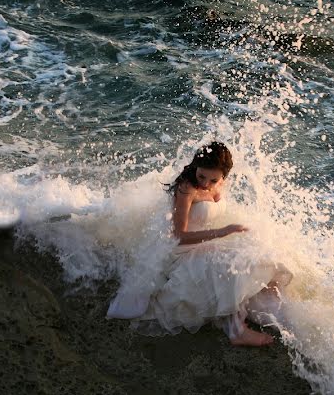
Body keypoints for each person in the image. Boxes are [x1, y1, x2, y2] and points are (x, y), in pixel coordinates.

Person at [107, 141, 292, 347]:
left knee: (263, 260)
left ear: (223, 177)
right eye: (202, 176)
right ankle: (236, 331)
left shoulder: (217, 184)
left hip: (203, 245)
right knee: (231, 270)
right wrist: (222, 232)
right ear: (195, 166)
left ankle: (275, 312)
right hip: (181, 252)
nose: (205, 183)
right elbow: (178, 235)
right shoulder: (186, 189)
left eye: (213, 179)